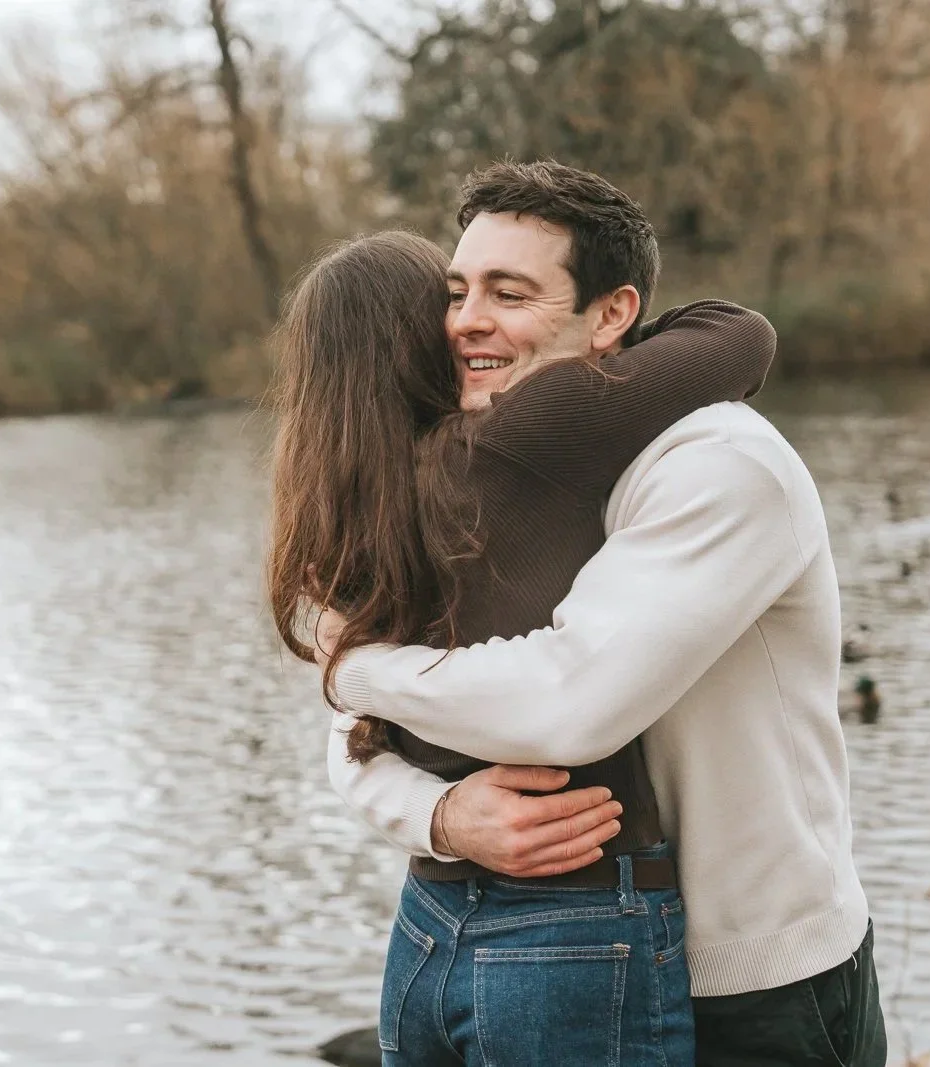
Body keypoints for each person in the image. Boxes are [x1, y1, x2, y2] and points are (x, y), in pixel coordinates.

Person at [316, 162, 887, 1066]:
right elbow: (360, 738)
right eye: (458, 290)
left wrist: (354, 665)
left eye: (511, 292)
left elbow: (564, 704)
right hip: (553, 961)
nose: (466, 319)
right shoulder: (465, 471)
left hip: (748, 980)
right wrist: (440, 815)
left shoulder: (718, 465)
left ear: (612, 315)